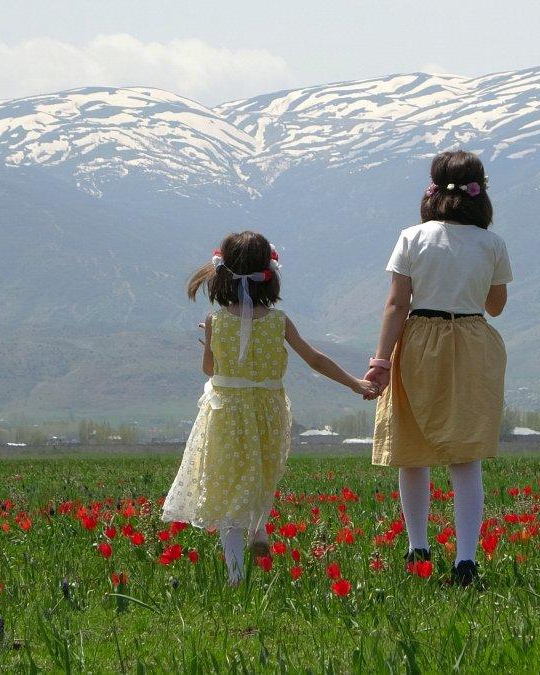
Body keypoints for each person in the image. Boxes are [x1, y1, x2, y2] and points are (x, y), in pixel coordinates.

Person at [162, 231, 377, 584]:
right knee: (262, 474)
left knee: (228, 484)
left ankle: (235, 575)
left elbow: (210, 370)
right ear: (269, 272)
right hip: (268, 410)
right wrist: (355, 383)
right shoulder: (279, 321)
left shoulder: (216, 321)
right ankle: (259, 529)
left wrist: (211, 342)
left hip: (226, 412)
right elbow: (315, 360)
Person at [365, 150, 512, 587]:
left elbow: (397, 304)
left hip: (417, 342)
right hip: (471, 342)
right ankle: (466, 559)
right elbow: (496, 306)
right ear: (479, 190)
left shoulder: (411, 237)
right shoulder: (492, 243)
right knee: (465, 456)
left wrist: (380, 362)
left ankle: (418, 548)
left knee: (412, 450)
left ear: (432, 188)